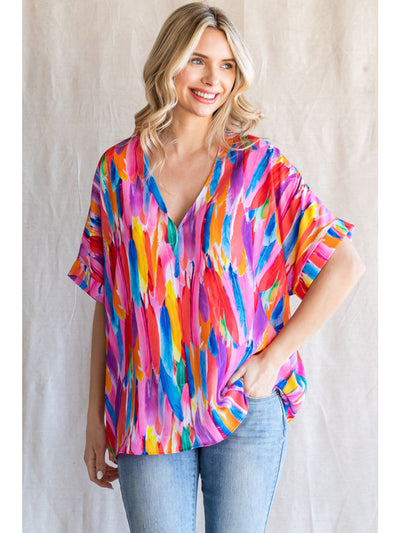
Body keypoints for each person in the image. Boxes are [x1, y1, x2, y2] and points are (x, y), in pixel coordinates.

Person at [68, 3, 365, 532]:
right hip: (147, 409)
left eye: (227, 66)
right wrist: (95, 417)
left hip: (241, 405)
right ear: (168, 64)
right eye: (197, 60)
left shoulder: (258, 166)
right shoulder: (118, 172)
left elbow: (345, 264)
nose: (213, 79)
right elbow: (110, 302)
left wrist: (274, 360)